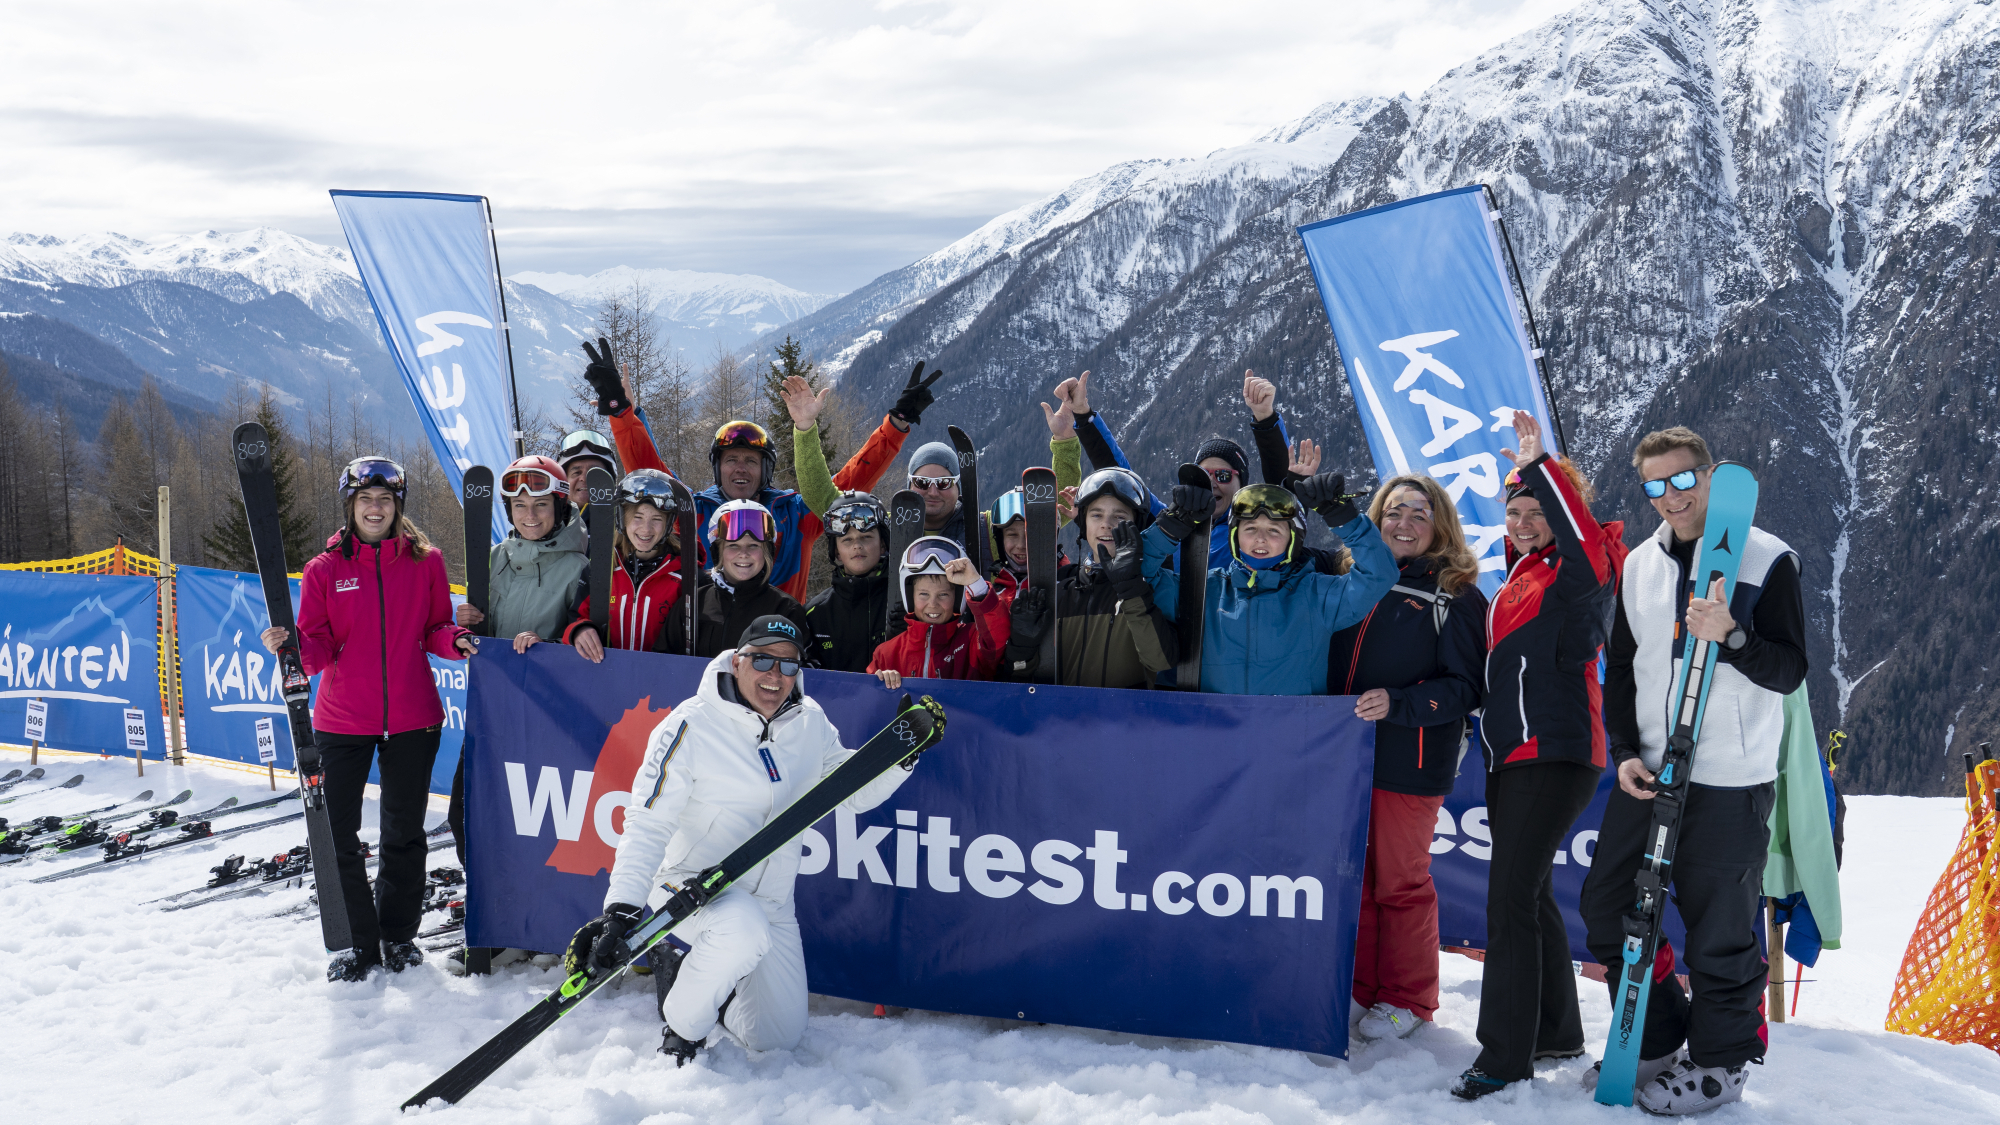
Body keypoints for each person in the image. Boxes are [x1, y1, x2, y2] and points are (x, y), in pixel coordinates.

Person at [566, 616, 931, 1064]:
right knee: (739, 928)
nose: (775, 677)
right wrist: (621, 910)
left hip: (773, 902)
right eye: (763, 660)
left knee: (776, 1036)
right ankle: (683, 1026)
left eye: (788, 665)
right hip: (690, 888)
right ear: (737, 662)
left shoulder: (809, 721)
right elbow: (648, 821)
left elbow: (849, 793)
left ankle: (692, 980)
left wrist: (900, 757)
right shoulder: (690, 725)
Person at [1577, 426, 1806, 1114]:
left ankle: (1720, 1063)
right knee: (1607, 905)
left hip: (1730, 775)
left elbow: (1790, 669)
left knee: (1720, 928)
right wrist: (1622, 750)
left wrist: (1732, 637)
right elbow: (1620, 667)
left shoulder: (1767, 560)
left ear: (1707, 475)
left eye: (1682, 480)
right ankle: (1656, 1032)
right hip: (1650, 766)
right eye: (1656, 486)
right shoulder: (1640, 565)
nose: (1671, 497)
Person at [1451, 410, 1626, 1102]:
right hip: (1513, 756)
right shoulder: (1522, 579)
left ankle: (1503, 1056)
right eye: (1514, 509)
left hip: (1553, 753)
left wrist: (1540, 467)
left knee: (1508, 901)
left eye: (1537, 510)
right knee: (1527, 894)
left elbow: (1587, 544)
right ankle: (1553, 1029)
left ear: (1561, 511)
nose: (1523, 520)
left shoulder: (1579, 573)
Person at [261, 455, 472, 982]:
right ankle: (357, 943)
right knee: (338, 834)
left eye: (384, 500)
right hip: (341, 719)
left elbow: (436, 629)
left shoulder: (426, 562)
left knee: (404, 832)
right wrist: (288, 650)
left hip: (412, 717)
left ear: (397, 506)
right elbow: (317, 648)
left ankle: (398, 936)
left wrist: (457, 641)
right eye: (365, 501)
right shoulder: (324, 570)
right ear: (351, 507)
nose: (375, 509)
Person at [591, 338, 949, 602]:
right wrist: (620, 412)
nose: (741, 469)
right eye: (731, 460)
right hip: (708, 642)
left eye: (751, 461)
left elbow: (850, 483)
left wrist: (896, 425)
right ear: (718, 469)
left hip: (779, 648)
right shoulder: (695, 511)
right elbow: (650, 476)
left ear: (767, 469)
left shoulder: (794, 515)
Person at [1329, 475, 1488, 1041]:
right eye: (1394, 511)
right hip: (1343, 756)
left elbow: (1467, 686)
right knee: (1358, 877)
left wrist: (1399, 704)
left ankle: (1409, 997)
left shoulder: (1456, 593)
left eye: (1420, 514)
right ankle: (1365, 989)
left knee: (1400, 880)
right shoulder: (1353, 578)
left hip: (1411, 758)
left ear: (1439, 525)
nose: (1404, 524)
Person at [1140, 471, 1396, 695]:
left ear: (1293, 540)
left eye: (1275, 530)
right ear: (1235, 537)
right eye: (1250, 528)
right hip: (1215, 735)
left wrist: (1343, 518)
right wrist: (1170, 526)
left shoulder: (1316, 596)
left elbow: (1379, 575)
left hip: (1291, 738)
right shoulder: (1204, 592)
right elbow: (1138, 576)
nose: (1261, 538)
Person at [1064, 369, 1290, 572]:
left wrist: (1265, 419)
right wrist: (1083, 415)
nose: (1211, 484)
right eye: (1203, 475)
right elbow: (1121, 477)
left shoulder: (1253, 532)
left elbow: (1283, 492)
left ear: (1242, 485)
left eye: (1222, 476)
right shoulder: (1171, 523)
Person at [1000, 467, 1178, 688]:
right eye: (1096, 515)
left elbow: (1160, 660)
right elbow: (1019, 679)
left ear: (1137, 525)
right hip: (1060, 720)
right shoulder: (1060, 588)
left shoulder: (1150, 587)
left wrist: (1132, 588)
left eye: (1119, 516)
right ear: (1083, 524)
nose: (1107, 524)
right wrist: (1022, 644)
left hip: (1125, 720)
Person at [455, 454, 587, 654]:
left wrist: (546, 646)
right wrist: (467, 626)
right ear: (509, 510)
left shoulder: (579, 570)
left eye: (541, 504)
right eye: (520, 505)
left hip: (548, 681)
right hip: (494, 678)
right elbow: (479, 638)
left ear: (560, 507)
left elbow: (587, 643)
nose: (530, 515)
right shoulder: (492, 558)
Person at [655, 500, 811, 659]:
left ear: (767, 552)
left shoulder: (785, 610)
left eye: (753, 546)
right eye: (733, 545)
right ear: (718, 552)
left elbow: (800, 671)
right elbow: (662, 662)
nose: (744, 553)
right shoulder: (693, 604)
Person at [564, 469, 688, 660]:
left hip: (661, 681)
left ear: (668, 524)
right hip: (608, 675)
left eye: (656, 519)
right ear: (623, 519)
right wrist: (579, 630)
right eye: (637, 517)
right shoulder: (601, 569)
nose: (646, 529)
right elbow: (575, 617)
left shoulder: (683, 575)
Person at [869, 537, 1007, 687]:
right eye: (924, 594)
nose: (933, 604)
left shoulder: (972, 640)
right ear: (910, 596)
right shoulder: (887, 654)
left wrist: (976, 585)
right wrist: (881, 684)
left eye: (943, 595)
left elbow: (997, 639)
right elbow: (867, 702)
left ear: (957, 598)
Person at [803, 491, 893, 673]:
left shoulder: (905, 602)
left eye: (866, 537)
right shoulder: (816, 613)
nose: (857, 546)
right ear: (836, 551)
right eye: (847, 540)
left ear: (883, 544)